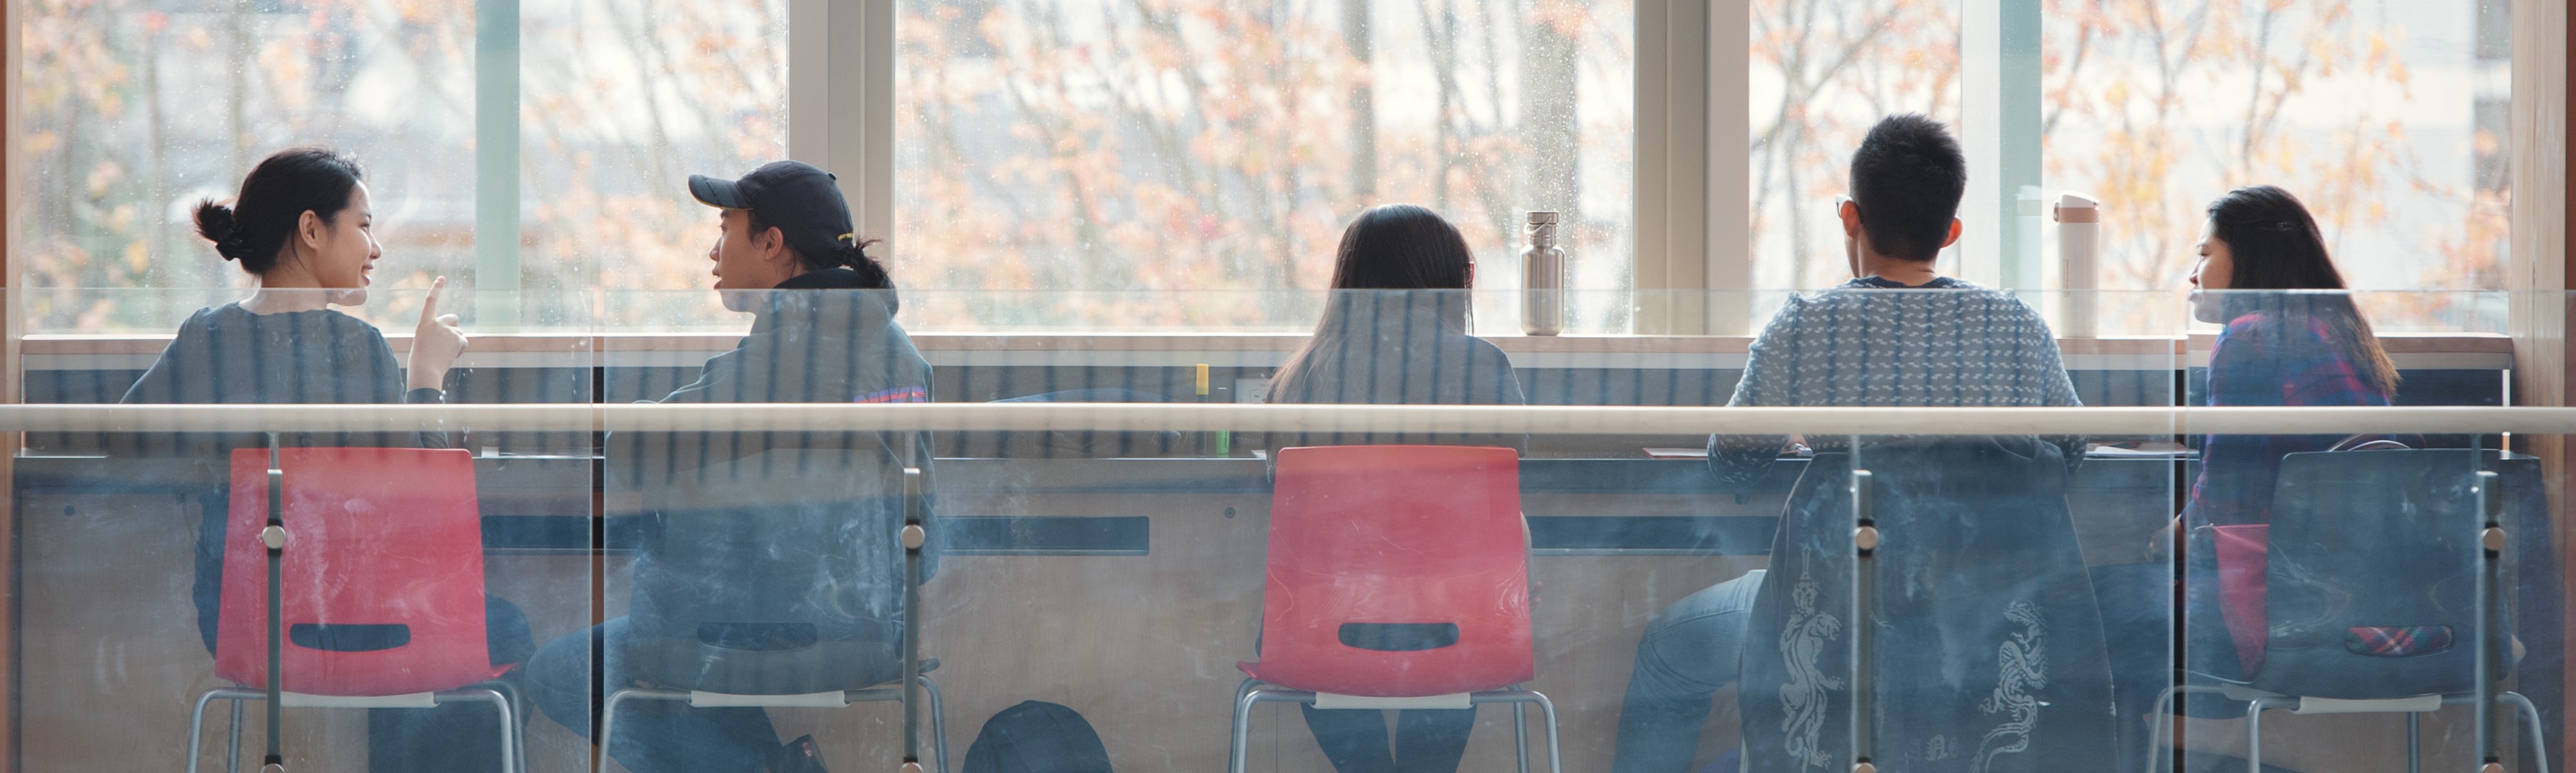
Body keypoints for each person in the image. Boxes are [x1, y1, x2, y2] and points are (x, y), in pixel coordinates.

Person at [1609, 115, 2084, 772]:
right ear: (1950, 231)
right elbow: (2068, 453)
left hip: (1833, 607)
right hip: (1979, 621)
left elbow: (1732, 458)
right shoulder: (2016, 325)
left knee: (1666, 653)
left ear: (1849, 217)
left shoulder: (1808, 325)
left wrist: (1814, 434)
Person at [118, 147, 526, 772]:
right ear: (311, 230)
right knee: (503, 627)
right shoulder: (356, 346)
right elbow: (418, 503)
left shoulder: (205, 336)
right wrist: (424, 376)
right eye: (363, 224)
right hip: (368, 624)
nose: (376, 247)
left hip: (242, 626)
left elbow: (128, 438)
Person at [523, 160, 936, 773]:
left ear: (771, 244)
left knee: (561, 671)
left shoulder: (779, 356)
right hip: (865, 639)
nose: (712, 249)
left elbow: (633, 451)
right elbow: (929, 540)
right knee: (706, 672)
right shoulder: (901, 357)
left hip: (729, 639)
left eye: (726, 228)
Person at [1260, 204, 1524, 773]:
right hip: (1457, 630)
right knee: (1473, 602)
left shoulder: (1297, 377)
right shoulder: (1484, 368)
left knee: (1307, 620)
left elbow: (1278, 504)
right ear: (1453, 284)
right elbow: (1513, 491)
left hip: (1320, 633)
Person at [2181, 184, 2399, 528]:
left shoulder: (2249, 338)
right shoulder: (2340, 329)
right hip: (2354, 552)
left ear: (2249, 255)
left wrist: (2158, 543)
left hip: (2286, 557)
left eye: (2204, 255)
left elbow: (2222, 496)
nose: (2193, 274)